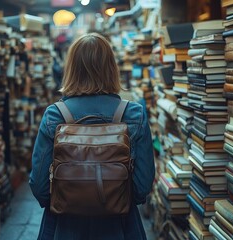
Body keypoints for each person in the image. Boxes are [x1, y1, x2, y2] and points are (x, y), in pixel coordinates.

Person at [29, 33, 155, 240]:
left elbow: (39, 184)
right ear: (111, 68)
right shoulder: (133, 114)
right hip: (120, 226)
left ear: (71, 69)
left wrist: (66, 198)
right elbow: (142, 186)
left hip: (64, 227)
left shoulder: (55, 115)